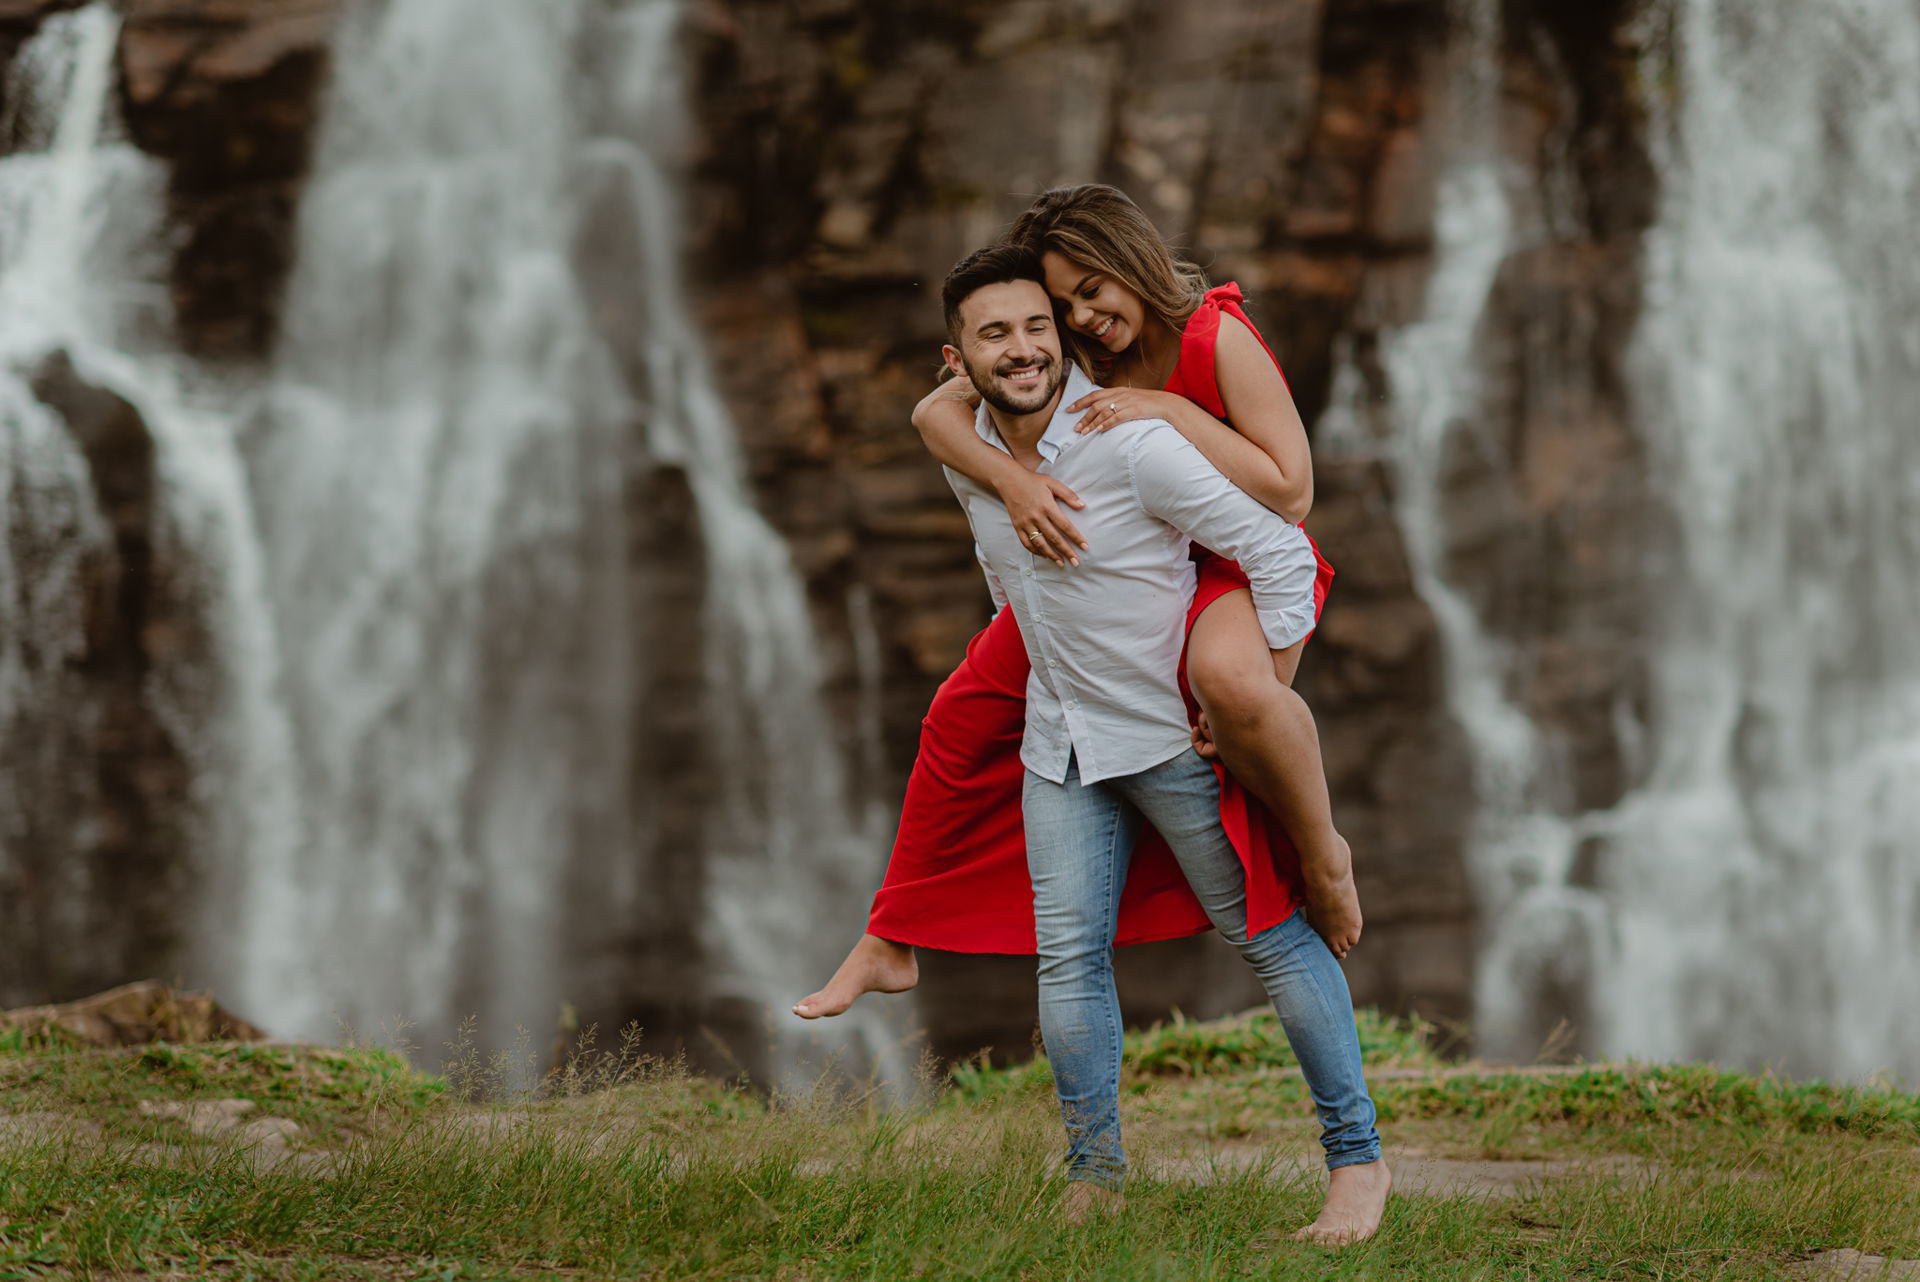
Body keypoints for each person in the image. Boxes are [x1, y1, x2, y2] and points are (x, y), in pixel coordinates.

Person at [916, 244, 1389, 1240]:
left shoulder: (1128, 443)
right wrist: (1006, 481)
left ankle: (1357, 1164)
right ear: (957, 358)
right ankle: (1095, 1174)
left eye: (1038, 326)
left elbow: (1279, 547)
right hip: (1060, 748)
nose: (1025, 348)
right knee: (1068, 959)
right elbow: (1008, 580)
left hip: (1170, 741)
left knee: (1268, 934)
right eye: (996, 334)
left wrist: (1262, 689)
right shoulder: (972, 456)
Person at [796, 184, 1359, 1013]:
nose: (1085, 319)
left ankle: (1324, 858)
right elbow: (932, 412)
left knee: (1234, 693)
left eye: (1092, 291)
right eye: (1064, 307)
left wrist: (1167, 408)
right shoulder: (1071, 353)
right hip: (1117, 570)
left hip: (1231, 563)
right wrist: (1013, 483)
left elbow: (1291, 493)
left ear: (1130, 262)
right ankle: (890, 936)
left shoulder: (1215, 335)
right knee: (955, 718)